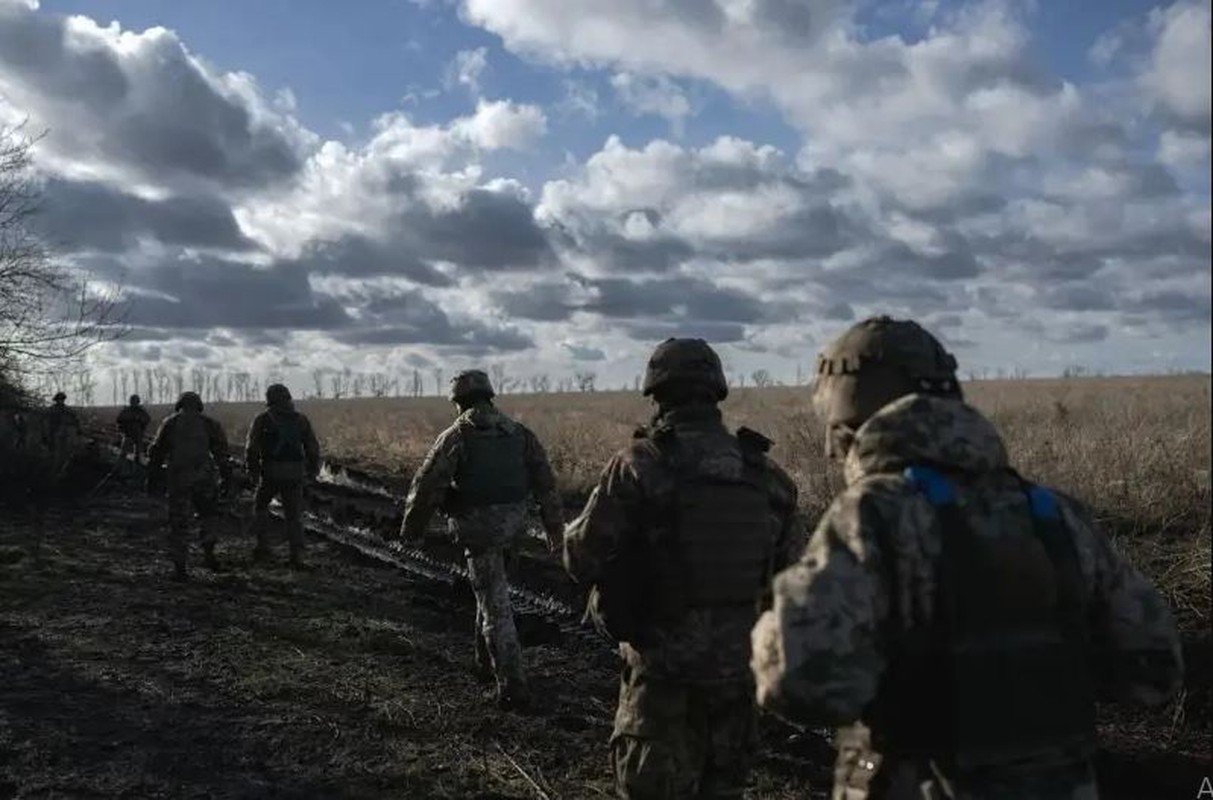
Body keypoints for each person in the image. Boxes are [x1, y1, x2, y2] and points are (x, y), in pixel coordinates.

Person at [750, 316, 1185, 799]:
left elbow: (801, 678)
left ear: (844, 412)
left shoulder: (875, 514)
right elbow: (1154, 670)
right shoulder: (1052, 513)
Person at [564, 338, 803, 800]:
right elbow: (789, 586)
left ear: (657, 395)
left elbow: (580, 560)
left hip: (661, 680)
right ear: (716, 391)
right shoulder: (768, 478)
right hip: (737, 682)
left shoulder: (638, 466)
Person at [395, 369, 564, 710]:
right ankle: (483, 663)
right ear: (489, 396)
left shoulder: (456, 436)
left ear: (458, 402)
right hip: (514, 530)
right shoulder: (520, 434)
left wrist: (411, 532)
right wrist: (554, 532)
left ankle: (512, 685)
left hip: (479, 531)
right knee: (490, 592)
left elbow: (426, 487)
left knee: (495, 607)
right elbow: (546, 485)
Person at [147, 391, 231, 581]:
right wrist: (226, 476)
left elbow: (156, 452)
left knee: (179, 522)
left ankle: (180, 567)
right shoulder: (209, 424)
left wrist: (152, 477)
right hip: (204, 478)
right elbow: (221, 453)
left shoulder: (171, 423)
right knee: (208, 517)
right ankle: (209, 555)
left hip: (179, 478)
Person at [246, 383, 320, 568]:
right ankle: (297, 555)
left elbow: (251, 449)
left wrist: (253, 472)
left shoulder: (262, 419)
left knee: (260, 507)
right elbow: (313, 448)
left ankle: (262, 546)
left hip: (270, 472)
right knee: (294, 515)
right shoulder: (301, 420)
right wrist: (312, 472)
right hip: (295, 474)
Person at [116, 394, 151, 470]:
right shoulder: (127, 410)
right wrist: (129, 420)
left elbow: (147, 419)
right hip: (128, 434)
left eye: (135, 401)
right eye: (133, 401)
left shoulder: (140, 411)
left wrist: (139, 420)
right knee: (123, 453)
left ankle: (137, 469)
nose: (134, 403)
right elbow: (119, 419)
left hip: (138, 434)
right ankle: (118, 468)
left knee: (138, 454)